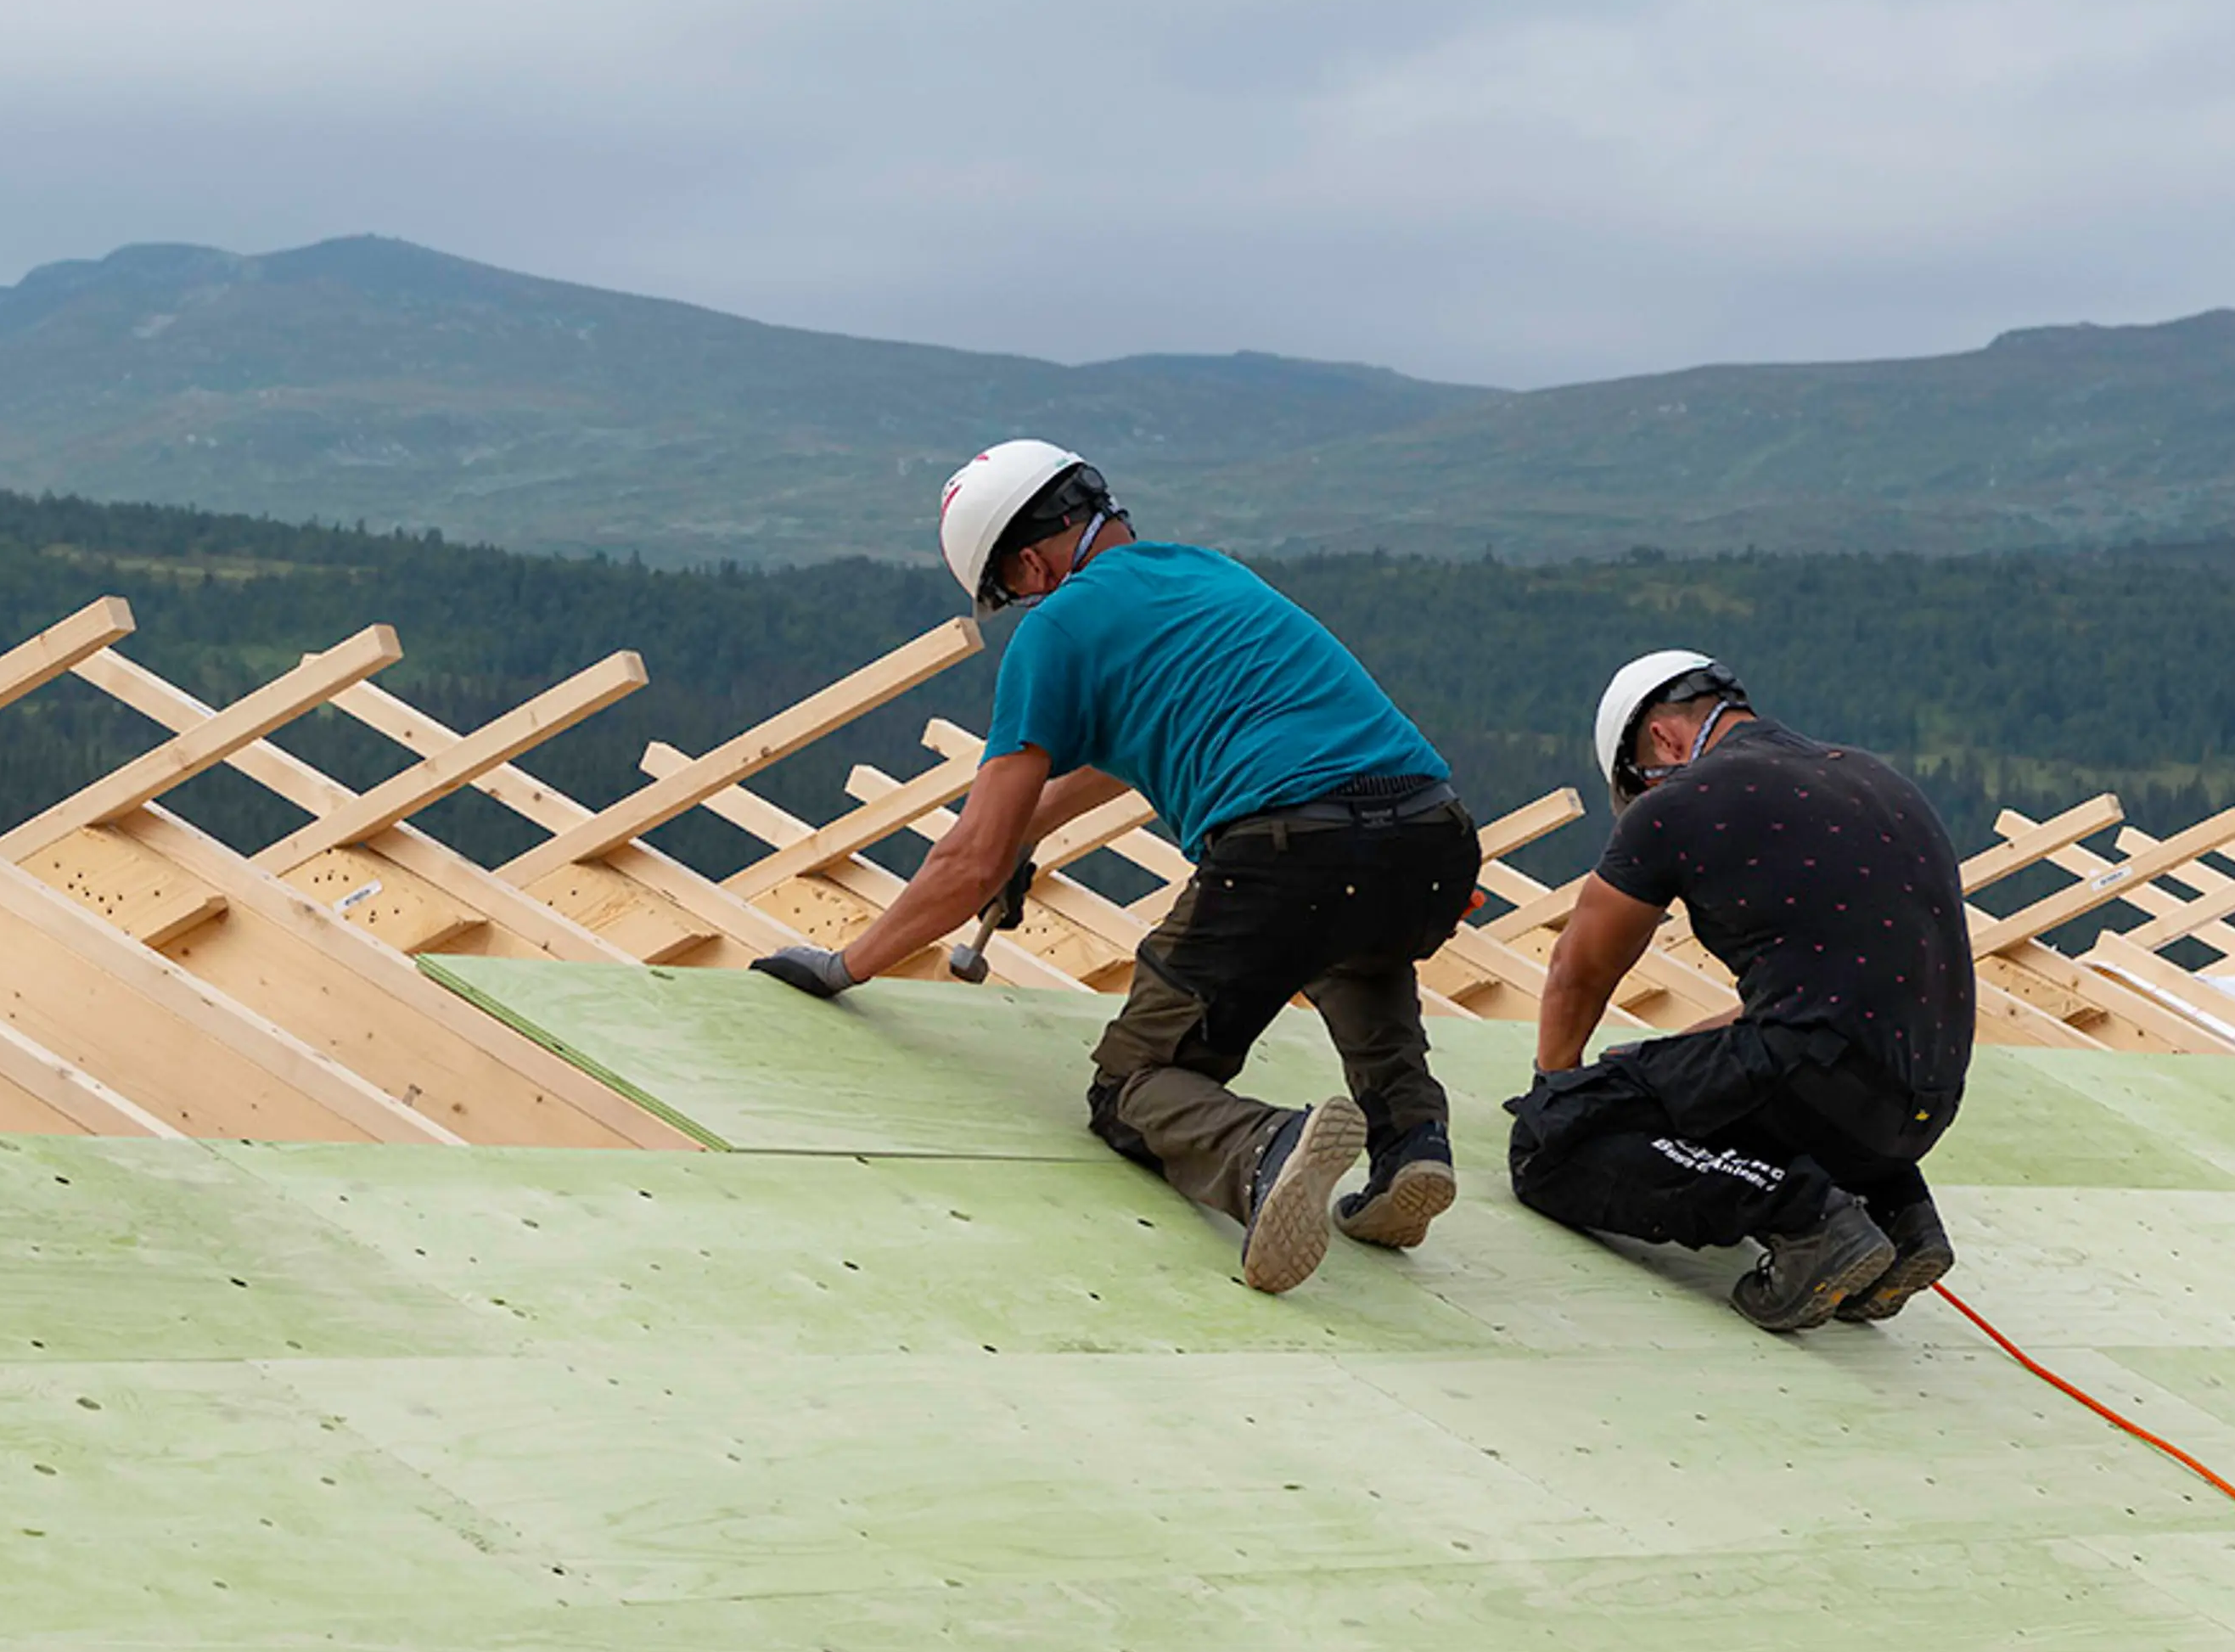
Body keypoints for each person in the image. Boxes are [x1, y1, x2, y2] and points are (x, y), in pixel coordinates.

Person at [755, 440, 1479, 1295]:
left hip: (1292, 856)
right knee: (1353, 941)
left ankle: (1262, 1150)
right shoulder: (1211, 575)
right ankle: (1409, 1147)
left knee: (1132, 1086)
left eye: (1012, 590)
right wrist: (1031, 832)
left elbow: (968, 859)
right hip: (1433, 837)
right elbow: (1124, 748)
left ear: (1029, 560)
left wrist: (847, 965)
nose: (1022, 603)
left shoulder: (1055, 630)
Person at [1506, 650, 1974, 1331]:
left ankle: (1810, 1222)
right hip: (1923, 1108)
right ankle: (1900, 1218)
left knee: (1551, 1145)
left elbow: (1579, 969)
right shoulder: (1877, 779)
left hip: (1819, 1082)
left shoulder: (1684, 801)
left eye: (1641, 781)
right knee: (1727, 1075)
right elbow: (1834, 993)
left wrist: (1559, 1091)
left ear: (1663, 738)